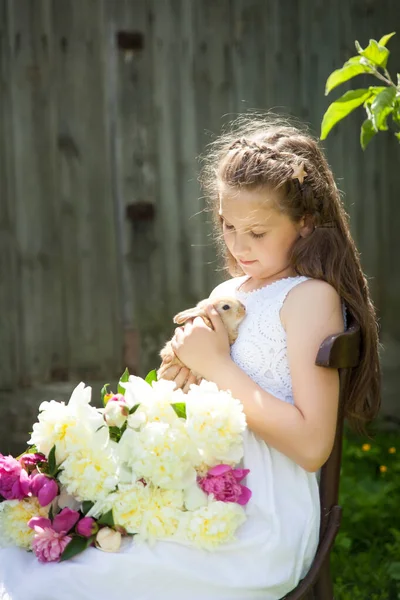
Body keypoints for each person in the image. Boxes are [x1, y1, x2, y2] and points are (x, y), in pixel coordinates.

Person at [0, 115, 381, 600]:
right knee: (21, 556)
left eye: (258, 233)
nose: (239, 245)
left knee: (60, 581)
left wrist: (216, 365)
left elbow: (311, 445)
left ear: (305, 222)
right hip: (187, 493)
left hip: (255, 522)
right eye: (228, 226)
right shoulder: (229, 291)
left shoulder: (310, 297)